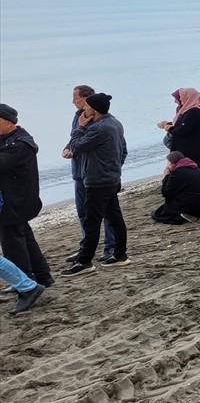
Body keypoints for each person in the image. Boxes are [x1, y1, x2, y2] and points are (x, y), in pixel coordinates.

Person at [63, 93, 130, 273]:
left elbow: (76, 145)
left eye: (87, 106)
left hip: (99, 181)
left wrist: (80, 127)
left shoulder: (99, 128)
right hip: (110, 178)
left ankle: (85, 261)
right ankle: (120, 254)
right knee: (115, 218)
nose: (84, 109)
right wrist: (115, 168)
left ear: (94, 109)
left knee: (91, 221)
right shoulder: (115, 123)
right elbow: (124, 150)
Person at [0, 104, 53, 290]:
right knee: (26, 239)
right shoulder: (10, 139)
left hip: (14, 202)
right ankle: (43, 277)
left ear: (8, 122)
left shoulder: (17, 144)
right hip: (18, 199)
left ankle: (25, 283)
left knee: (13, 245)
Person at [66, 85, 114, 260]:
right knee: (83, 213)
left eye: (76, 98)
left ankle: (111, 247)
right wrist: (67, 148)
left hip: (97, 175)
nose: (73, 102)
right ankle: (85, 247)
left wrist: (112, 168)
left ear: (86, 100)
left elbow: (118, 148)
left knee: (107, 213)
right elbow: (74, 138)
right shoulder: (78, 116)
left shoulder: (102, 121)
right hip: (79, 172)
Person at [151, 151, 200, 224]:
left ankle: (187, 215)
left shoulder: (178, 172)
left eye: (168, 163)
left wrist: (166, 175)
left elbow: (166, 193)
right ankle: (189, 214)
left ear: (172, 163)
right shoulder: (193, 166)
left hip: (193, 203)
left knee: (159, 213)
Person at [158, 88, 200, 169]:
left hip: (189, 148)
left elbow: (183, 129)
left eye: (179, 98)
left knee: (189, 168)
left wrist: (168, 128)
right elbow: (184, 125)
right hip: (191, 147)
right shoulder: (190, 110)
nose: (176, 101)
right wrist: (169, 125)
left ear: (187, 97)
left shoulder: (194, 111)